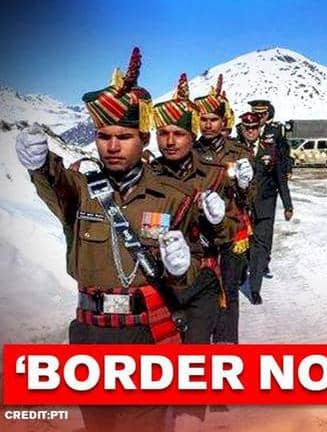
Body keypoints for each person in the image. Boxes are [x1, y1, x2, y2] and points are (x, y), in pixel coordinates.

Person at [15, 47, 195, 432]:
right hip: (90, 333)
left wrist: (182, 267)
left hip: (145, 333)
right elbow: (56, 182)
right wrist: (40, 164)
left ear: (143, 139)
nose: (112, 146)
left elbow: (192, 274)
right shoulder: (82, 189)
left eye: (124, 137)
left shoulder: (171, 197)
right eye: (104, 136)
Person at [193, 75, 254, 342]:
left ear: (223, 122)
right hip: (200, 232)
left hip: (230, 231)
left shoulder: (238, 152)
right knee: (202, 290)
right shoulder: (191, 151)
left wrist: (244, 185)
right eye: (203, 119)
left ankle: (227, 344)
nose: (208, 125)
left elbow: (251, 197)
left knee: (229, 290)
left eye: (213, 120)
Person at [245, 100, 294, 302]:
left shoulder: (275, 135)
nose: (258, 117)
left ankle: (255, 287)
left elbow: (280, 171)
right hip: (244, 204)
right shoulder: (242, 135)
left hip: (266, 200)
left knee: (261, 243)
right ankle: (248, 266)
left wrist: (288, 204)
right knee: (246, 242)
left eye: (262, 113)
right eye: (255, 112)